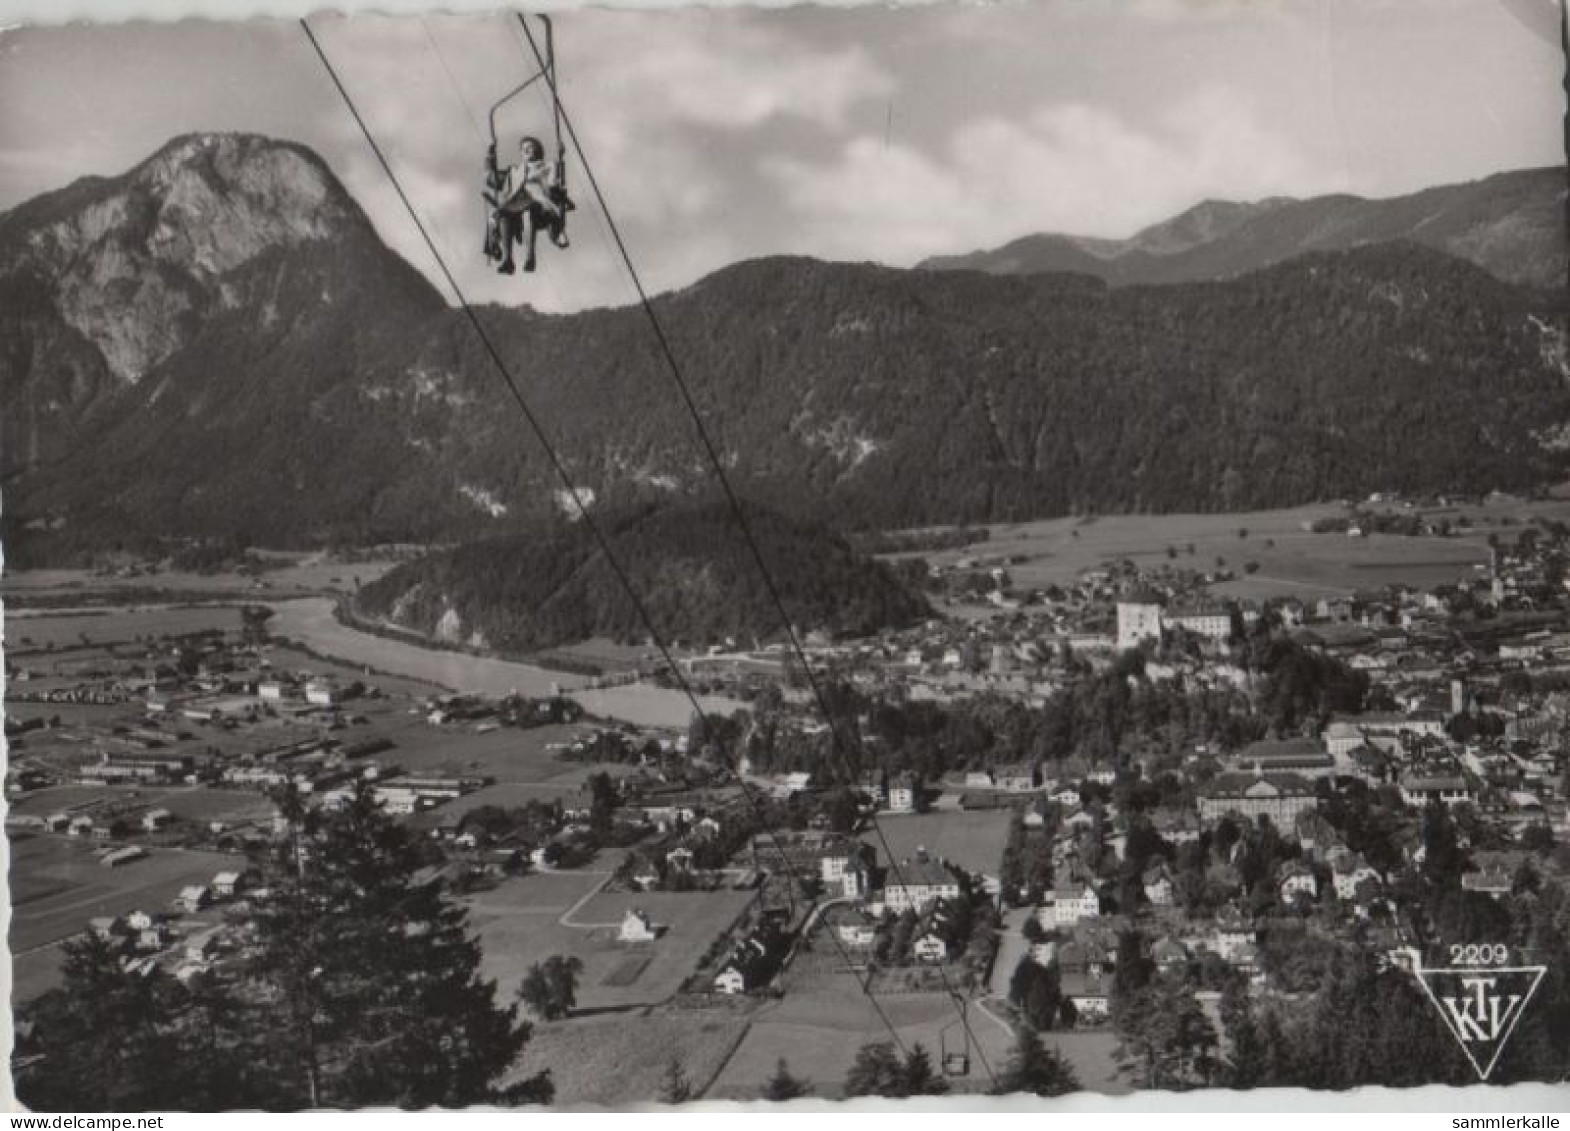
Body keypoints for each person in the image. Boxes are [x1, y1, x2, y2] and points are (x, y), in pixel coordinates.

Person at [484, 136, 570, 274]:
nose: (526, 150)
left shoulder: (548, 166)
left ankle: (530, 257)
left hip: (539, 207)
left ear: (537, 150)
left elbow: (553, 185)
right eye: (523, 148)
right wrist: (490, 156)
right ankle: (507, 260)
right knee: (503, 215)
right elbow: (490, 179)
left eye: (530, 147)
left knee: (528, 211)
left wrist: (560, 158)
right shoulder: (514, 172)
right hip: (515, 209)